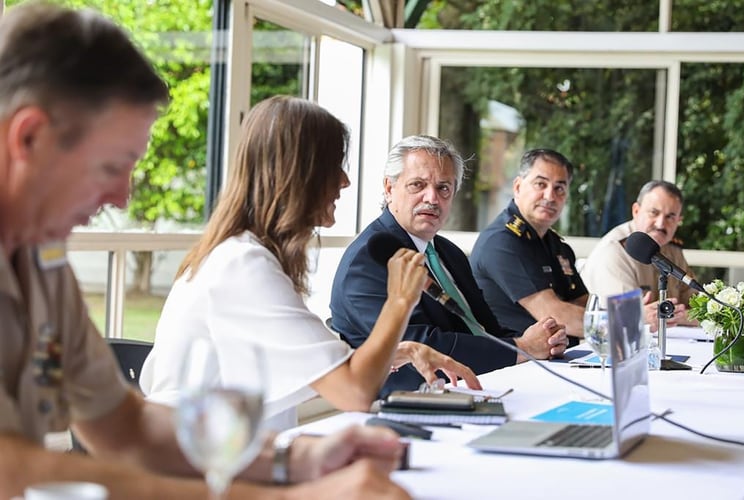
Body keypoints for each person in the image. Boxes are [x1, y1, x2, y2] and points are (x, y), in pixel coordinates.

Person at [0, 4, 411, 498]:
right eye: (111, 166)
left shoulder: (40, 266)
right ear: (29, 137)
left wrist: (295, 459)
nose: (122, 197)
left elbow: (124, 425)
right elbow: (12, 469)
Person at [140, 96, 480, 431]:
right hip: (201, 461)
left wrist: (402, 349)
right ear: (298, 174)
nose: (344, 182)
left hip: (240, 450)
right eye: (335, 167)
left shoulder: (244, 255)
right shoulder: (243, 265)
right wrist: (401, 301)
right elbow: (354, 392)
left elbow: (312, 365)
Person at [330, 135, 568, 395]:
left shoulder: (448, 252)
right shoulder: (368, 260)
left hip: (484, 384)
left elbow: (484, 328)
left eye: (444, 188)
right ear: (389, 188)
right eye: (417, 185)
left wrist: (541, 339)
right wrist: (521, 347)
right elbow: (421, 345)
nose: (432, 198)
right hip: (414, 400)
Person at [470, 148, 589, 341]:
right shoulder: (501, 242)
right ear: (517, 187)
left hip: (560, 358)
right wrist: (628, 324)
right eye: (540, 184)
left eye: (559, 188)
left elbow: (582, 302)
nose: (550, 196)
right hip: (516, 363)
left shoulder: (555, 244)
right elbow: (555, 314)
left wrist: (634, 313)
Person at [580, 180, 697, 330]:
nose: (661, 224)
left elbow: (700, 305)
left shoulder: (673, 250)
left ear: (679, 220)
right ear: (636, 211)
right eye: (654, 213)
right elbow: (626, 318)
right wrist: (681, 315)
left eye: (670, 217)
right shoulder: (614, 251)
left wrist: (681, 315)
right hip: (611, 347)